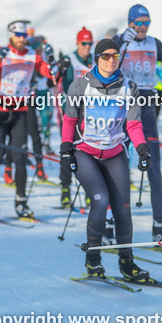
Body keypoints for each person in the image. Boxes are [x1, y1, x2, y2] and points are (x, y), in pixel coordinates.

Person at [61, 38, 150, 280]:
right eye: (106, 56)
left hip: (114, 153)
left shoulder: (129, 87)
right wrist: (66, 148)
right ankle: (93, 259)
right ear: (97, 58)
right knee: (100, 200)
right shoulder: (80, 86)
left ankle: (127, 263)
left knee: (123, 209)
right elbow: (69, 120)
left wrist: (142, 149)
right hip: (85, 152)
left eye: (115, 56)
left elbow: (133, 124)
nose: (111, 60)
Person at [118, 4, 162, 241]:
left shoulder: (153, 43)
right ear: (130, 23)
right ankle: (112, 220)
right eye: (138, 22)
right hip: (123, 105)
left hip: (147, 106)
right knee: (117, 166)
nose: (143, 27)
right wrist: (120, 43)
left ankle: (159, 225)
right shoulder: (120, 41)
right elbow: (103, 64)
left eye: (147, 22)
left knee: (154, 167)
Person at [0, 19, 52, 219]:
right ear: (10, 36)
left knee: (20, 157)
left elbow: (48, 73)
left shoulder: (31, 54)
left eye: (24, 35)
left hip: (19, 111)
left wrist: (55, 65)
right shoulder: (0, 52)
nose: (21, 39)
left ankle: (21, 202)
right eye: (18, 35)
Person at [56, 27, 94, 207]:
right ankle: (65, 189)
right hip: (72, 113)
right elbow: (60, 83)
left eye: (89, 44)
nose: (87, 47)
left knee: (88, 152)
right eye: (84, 44)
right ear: (77, 43)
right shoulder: (70, 60)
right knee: (68, 149)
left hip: (91, 113)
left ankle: (89, 190)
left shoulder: (95, 61)